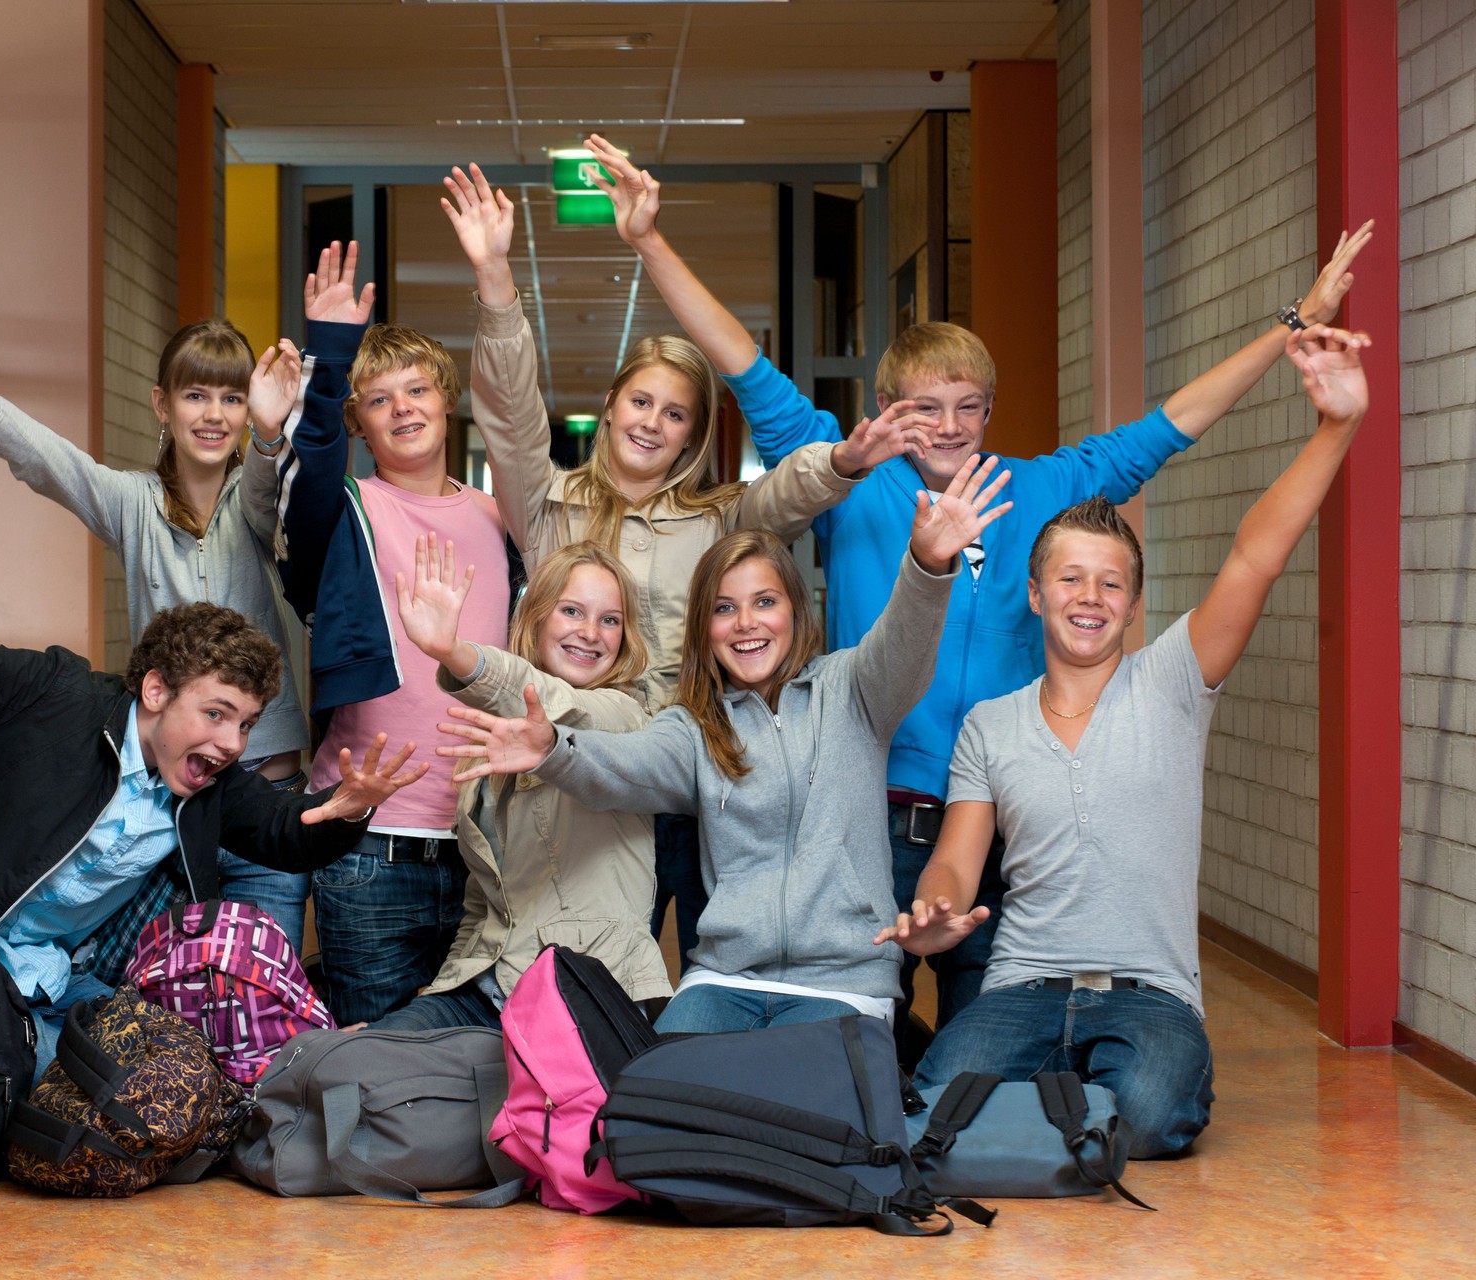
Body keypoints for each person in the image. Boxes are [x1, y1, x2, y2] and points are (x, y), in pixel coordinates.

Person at [582, 131, 1375, 1041]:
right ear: (888, 410)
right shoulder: (860, 476)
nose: (948, 428)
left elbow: (1176, 422)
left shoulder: (1044, 488)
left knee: (972, 1031)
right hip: (867, 802)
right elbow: (738, 363)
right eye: (924, 407)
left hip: (990, 808)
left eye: (968, 408)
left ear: (991, 413)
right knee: (863, 1022)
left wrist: (1290, 325)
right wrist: (648, 242)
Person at [0, 410, 422, 1078]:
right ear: (155, 692)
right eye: (215, 714)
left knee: (166, 1080)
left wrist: (346, 809)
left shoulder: (205, 783)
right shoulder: (49, 697)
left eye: (243, 723)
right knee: (24, 1088)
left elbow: (282, 831)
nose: (232, 742)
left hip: (63, 979)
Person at [884, 323, 1373, 1158]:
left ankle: (1053, 1114)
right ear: (1034, 596)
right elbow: (959, 861)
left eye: (1111, 583)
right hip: (1020, 988)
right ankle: (1063, 1114)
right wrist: (934, 910)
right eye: (1069, 578)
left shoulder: (1173, 683)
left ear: (1136, 605)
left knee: (1148, 1117)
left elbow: (1256, 555)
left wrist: (1337, 427)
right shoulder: (991, 725)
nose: (1090, 597)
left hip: (1149, 996)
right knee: (933, 1103)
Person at [443, 162, 918, 972]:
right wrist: (494, 280)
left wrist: (840, 459)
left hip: (707, 784)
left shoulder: (718, 515)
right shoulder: (547, 501)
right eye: (640, 402)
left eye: (675, 414)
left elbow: (785, 501)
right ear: (614, 402)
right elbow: (510, 411)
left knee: (712, 968)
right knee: (584, 973)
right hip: (584, 776)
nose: (652, 424)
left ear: (693, 435)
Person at [437, 458, 1012, 1035]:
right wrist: (554, 750)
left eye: (764, 602)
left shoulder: (854, 690)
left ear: (794, 609)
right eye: (723, 608)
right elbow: (627, 764)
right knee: (658, 1100)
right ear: (704, 628)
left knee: (797, 1111)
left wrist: (928, 564)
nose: (745, 623)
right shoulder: (694, 725)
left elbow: (904, 638)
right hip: (725, 979)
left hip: (846, 977)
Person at [0, 280, 317, 953]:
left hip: (263, 792)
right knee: (174, 1003)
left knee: (263, 1002)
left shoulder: (256, 502)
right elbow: (39, 455)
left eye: (230, 397)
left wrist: (275, 432)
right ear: (163, 405)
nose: (214, 414)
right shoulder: (131, 504)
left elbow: (267, 481)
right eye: (195, 395)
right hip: (171, 800)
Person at [239, 241, 512, 1025]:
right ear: (358, 419)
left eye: (418, 388)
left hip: (484, 851)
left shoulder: (500, 520)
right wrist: (330, 351)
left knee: (475, 1076)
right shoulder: (342, 512)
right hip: (370, 850)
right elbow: (312, 464)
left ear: (447, 397)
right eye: (380, 398)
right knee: (372, 1070)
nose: (403, 407)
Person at [366, 536, 670, 1031]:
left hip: (584, 987)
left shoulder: (627, 718)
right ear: (537, 617)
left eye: (609, 620)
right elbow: (484, 908)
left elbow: (561, 704)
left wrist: (456, 653)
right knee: (361, 1055)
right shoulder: (489, 745)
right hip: (487, 985)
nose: (591, 633)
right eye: (572, 611)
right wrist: (437, 997)